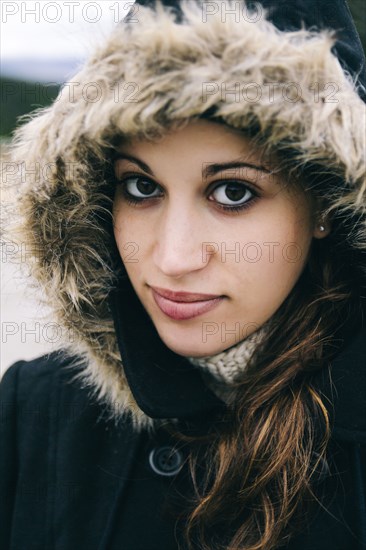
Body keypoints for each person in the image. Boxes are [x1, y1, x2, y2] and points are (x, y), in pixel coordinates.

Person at [1, 0, 365, 549]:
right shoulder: (34, 411)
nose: (173, 258)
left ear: (324, 204)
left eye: (233, 192)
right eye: (141, 187)